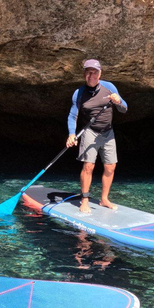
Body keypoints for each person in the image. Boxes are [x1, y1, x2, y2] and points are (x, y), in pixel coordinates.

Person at [65, 59, 127, 213]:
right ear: (84, 74)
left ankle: (104, 199)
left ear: (100, 74)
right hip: (89, 131)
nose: (91, 75)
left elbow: (124, 109)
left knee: (110, 166)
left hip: (108, 132)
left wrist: (118, 102)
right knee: (88, 166)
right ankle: (84, 200)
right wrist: (72, 134)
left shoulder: (109, 87)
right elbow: (73, 115)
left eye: (94, 72)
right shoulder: (79, 93)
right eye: (88, 72)